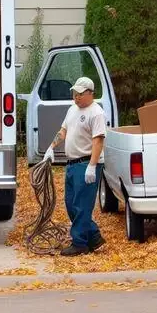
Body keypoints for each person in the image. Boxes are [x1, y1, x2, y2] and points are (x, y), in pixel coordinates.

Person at [43, 77, 106, 256]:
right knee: (71, 204)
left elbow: (98, 141)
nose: (75, 97)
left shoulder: (96, 113)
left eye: (79, 94)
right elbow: (63, 131)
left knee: (81, 206)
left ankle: (79, 243)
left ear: (89, 93)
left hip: (86, 163)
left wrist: (92, 166)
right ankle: (93, 236)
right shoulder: (72, 110)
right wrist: (51, 147)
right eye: (74, 93)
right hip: (71, 164)